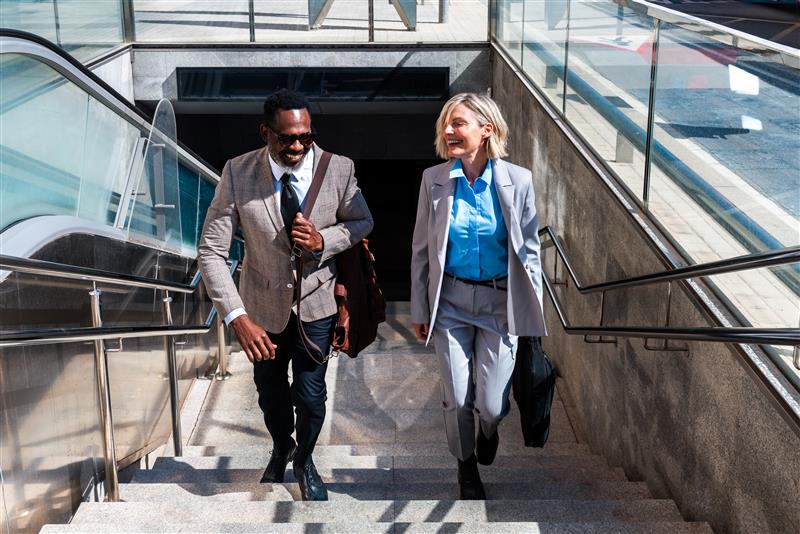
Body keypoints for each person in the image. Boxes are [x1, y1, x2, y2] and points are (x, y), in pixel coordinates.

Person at [198, 89, 373, 501]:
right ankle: (282, 445)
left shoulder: (339, 169)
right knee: (271, 394)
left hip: (317, 304)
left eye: (305, 137)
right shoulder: (238, 173)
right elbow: (211, 250)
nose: (297, 146)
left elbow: (363, 220)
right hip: (259, 310)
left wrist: (323, 241)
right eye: (286, 138)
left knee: (310, 398)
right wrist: (236, 316)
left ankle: (306, 459)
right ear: (266, 133)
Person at [410, 93, 546, 499]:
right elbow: (421, 249)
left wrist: (531, 313)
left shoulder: (517, 181)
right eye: (446, 125)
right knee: (456, 396)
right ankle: (466, 466)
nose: (449, 131)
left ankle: (489, 431)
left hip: (499, 303)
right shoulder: (432, 180)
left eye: (459, 124)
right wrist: (420, 307)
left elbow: (530, 252)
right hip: (449, 301)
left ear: (486, 130)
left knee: (491, 404)